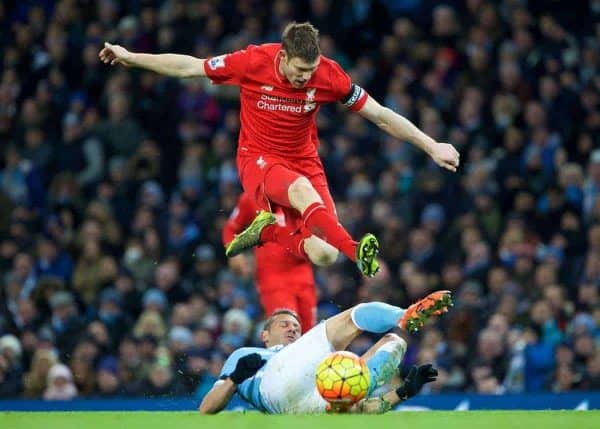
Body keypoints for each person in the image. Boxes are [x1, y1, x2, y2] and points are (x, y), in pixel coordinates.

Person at [99, 22, 460, 278]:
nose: (306, 77)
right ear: (284, 56)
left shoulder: (329, 76)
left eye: (312, 69)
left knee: (323, 254)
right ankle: (357, 251)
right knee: (308, 200)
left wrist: (431, 146)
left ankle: (269, 232)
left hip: (304, 160)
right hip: (258, 159)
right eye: (301, 69)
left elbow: (379, 115)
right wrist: (131, 57)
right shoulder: (253, 61)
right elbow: (189, 67)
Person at [197, 290, 452, 414]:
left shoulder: (307, 356)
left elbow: (366, 411)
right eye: (284, 324)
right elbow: (206, 408)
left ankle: (405, 319)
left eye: (297, 327)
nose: (292, 329)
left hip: (306, 406)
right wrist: (235, 378)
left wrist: (404, 392)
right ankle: (403, 315)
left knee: (394, 342)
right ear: (264, 335)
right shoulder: (246, 355)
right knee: (352, 318)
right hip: (274, 385)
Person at [223, 192, 317, 331]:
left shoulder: (300, 191)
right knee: (287, 332)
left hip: (303, 273)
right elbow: (231, 228)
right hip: (272, 277)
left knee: (311, 334)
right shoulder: (252, 196)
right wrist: (234, 253)